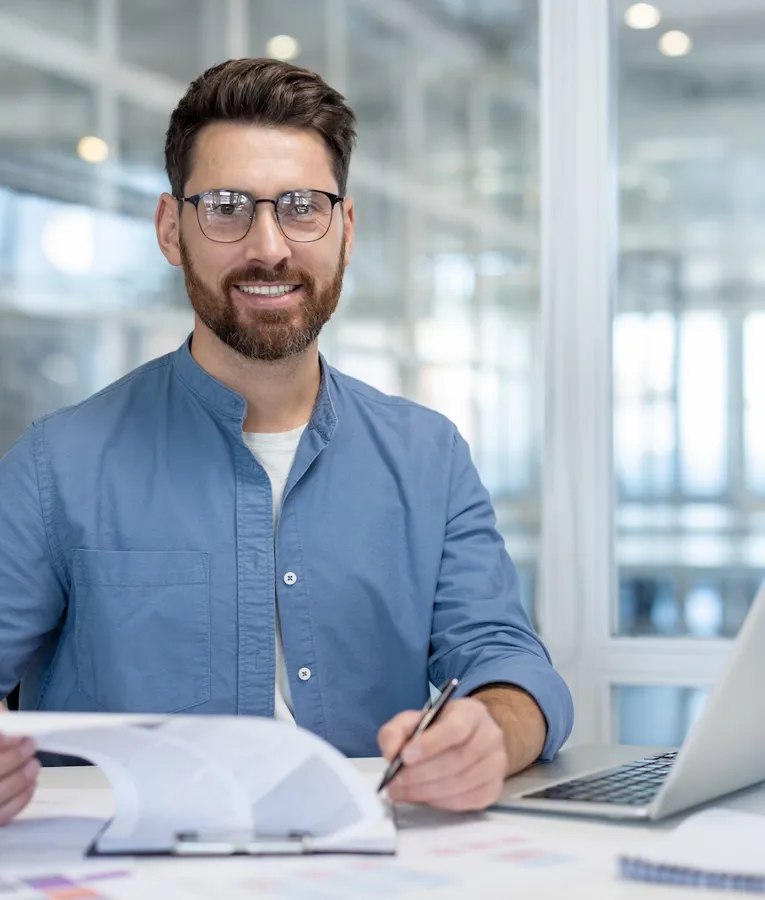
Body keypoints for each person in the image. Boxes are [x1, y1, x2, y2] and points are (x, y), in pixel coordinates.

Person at [0, 58, 573, 826]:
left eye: (302, 207)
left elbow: (507, 663)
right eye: (227, 207)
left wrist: (491, 734)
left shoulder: (427, 456)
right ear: (172, 230)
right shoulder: (54, 464)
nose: (268, 246)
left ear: (344, 229)